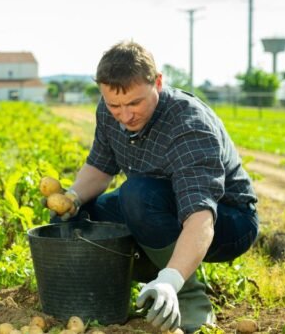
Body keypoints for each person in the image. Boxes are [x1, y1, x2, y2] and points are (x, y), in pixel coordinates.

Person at [46, 41, 259, 333]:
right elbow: (100, 167)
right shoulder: (110, 111)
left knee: (137, 194)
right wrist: (72, 198)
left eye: (135, 103)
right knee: (80, 217)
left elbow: (201, 217)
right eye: (114, 105)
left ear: (157, 82)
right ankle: (115, 293)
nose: (125, 114)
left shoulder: (188, 126)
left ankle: (187, 298)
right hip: (161, 202)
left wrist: (172, 280)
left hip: (228, 221)